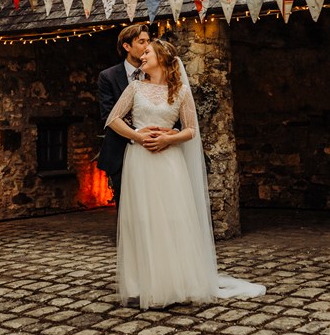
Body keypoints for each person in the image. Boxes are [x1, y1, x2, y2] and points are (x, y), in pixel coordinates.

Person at [105, 39, 266, 309]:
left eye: (147, 52)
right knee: (143, 220)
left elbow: (191, 130)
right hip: (140, 160)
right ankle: (143, 284)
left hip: (169, 162)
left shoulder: (180, 92)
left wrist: (170, 139)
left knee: (171, 220)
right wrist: (137, 136)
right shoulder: (135, 87)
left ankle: (173, 282)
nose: (142, 56)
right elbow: (113, 119)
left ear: (163, 59)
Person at [97, 25, 155, 207]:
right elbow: (108, 115)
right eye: (141, 42)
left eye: (148, 41)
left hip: (155, 149)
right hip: (120, 151)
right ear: (126, 46)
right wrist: (137, 135)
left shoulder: (156, 74)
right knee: (127, 207)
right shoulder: (108, 77)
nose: (147, 46)